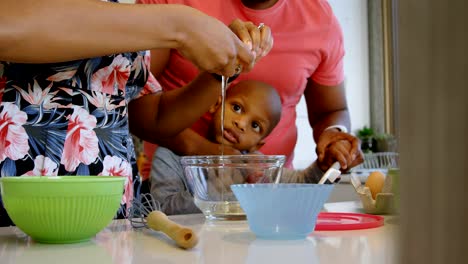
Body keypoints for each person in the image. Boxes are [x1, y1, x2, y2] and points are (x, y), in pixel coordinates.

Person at [0, 0, 271, 226]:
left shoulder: (115, 7)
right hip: (15, 214)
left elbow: (151, 119)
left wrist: (221, 70)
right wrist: (180, 25)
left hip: (109, 221)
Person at [136, 0, 362, 178]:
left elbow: (331, 111)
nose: (241, 124)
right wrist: (203, 150)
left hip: (268, 193)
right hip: (173, 187)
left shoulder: (321, 19)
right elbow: (128, 100)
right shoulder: (169, 4)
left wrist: (336, 135)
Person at [150, 80, 363, 215]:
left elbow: (300, 184)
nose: (240, 123)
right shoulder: (170, 156)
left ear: (258, 144)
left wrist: (325, 165)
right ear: (217, 104)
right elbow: (162, 207)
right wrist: (219, 190)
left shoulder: (255, 165)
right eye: (236, 108)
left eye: (255, 125)